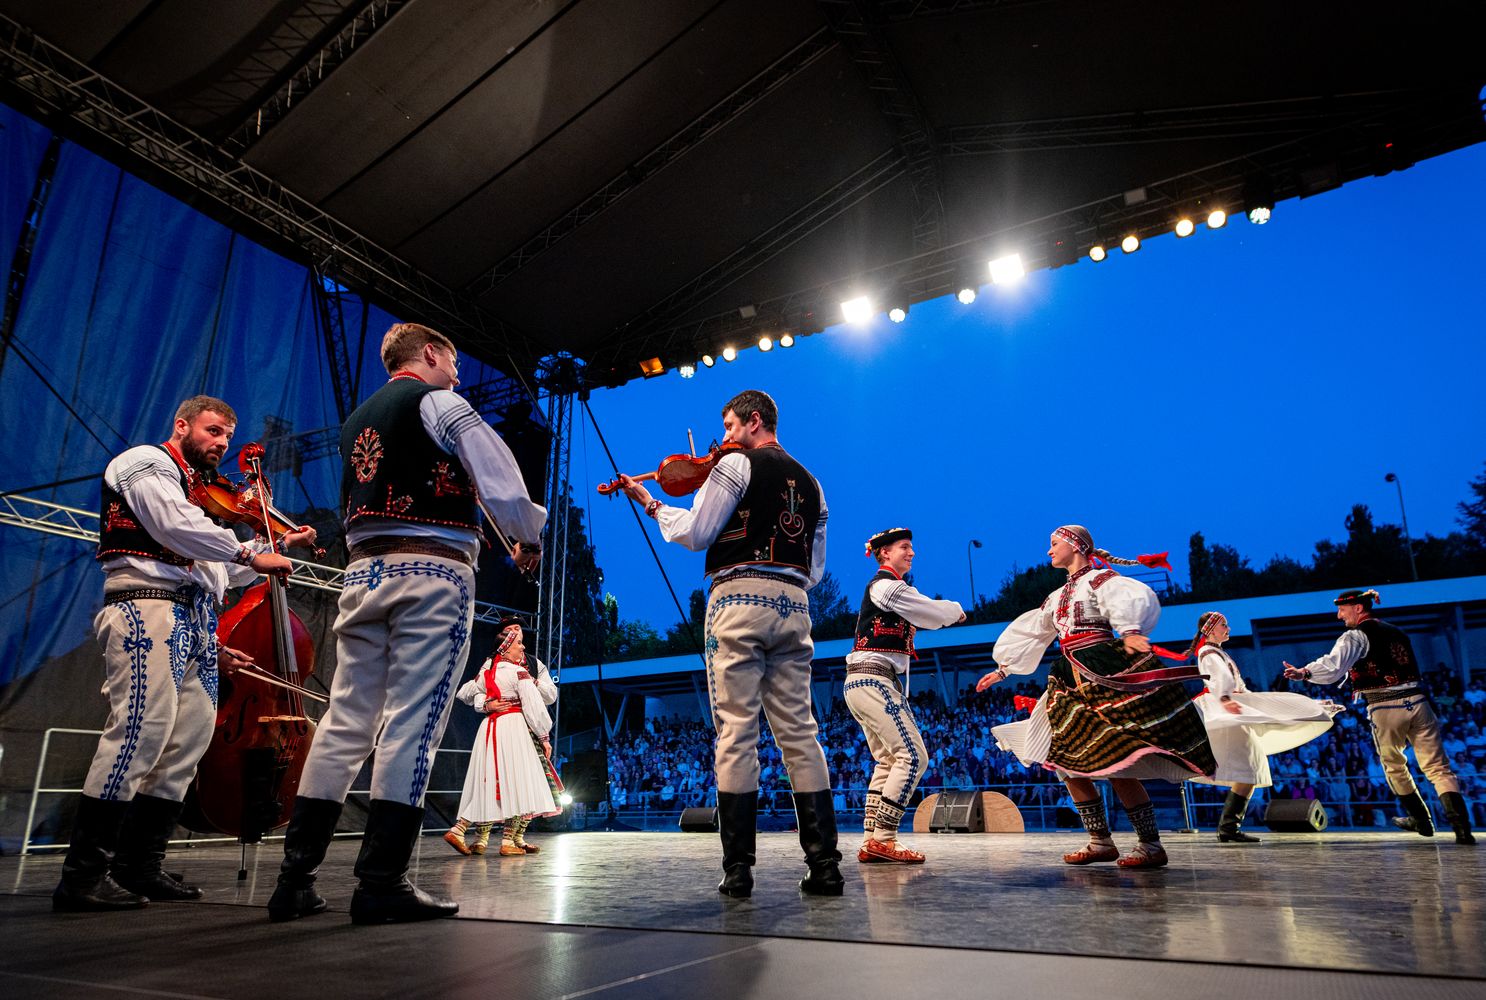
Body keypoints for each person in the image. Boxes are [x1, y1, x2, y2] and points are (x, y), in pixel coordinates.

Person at [268, 323, 547, 924]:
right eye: (453, 362)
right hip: (431, 574)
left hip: (363, 573)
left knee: (345, 721)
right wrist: (527, 534)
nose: (457, 375)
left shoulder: (356, 420)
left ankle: (294, 881)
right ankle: (380, 883)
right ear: (430, 353)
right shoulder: (438, 402)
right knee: (413, 723)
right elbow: (498, 474)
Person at [54, 396, 309, 911]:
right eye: (213, 431)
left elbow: (218, 571)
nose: (222, 443)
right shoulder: (145, 462)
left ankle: (139, 865)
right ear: (182, 425)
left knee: (186, 744)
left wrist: (274, 549)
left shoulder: (196, 493)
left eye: (227, 436)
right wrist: (248, 550)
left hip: (195, 621)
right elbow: (174, 525)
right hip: (146, 605)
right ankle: (82, 876)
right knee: (139, 733)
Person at [617, 389, 838, 898]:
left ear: (753, 421)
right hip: (795, 605)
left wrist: (653, 505)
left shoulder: (734, 465)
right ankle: (825, 866)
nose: (722, 438)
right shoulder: (814, 484)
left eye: (729, 426)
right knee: (800, 732)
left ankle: (738, 871)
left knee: (737, 732)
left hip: (738, 599)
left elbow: (698, 532)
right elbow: (816, 570)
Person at [979, 525, 1215, 869]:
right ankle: (1100, 840)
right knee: (1062, 760)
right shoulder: (1056, 596)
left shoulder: (1100, 579)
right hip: (1067, 675)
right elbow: (1035, 632)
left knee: (1115, 757)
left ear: (1076, 546)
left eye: (1054, 544)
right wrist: (1003, 670)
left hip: (1100, 666)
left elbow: (1125, 598)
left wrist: (1130, 631)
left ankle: (1150, 844)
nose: (1049, 551)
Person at [1284, 589, 1475, 845]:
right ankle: (1462, 829)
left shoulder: (1356, 635)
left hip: (1385, 706)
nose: (1339, 615)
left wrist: (1305, 673)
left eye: (1342, 609)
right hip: (1419, 703)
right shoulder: (1398, 632)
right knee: (1439, 768)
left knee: (1394, 765)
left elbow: (1333, 666)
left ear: (1358, 608)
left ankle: (1421, 820)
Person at [845, 528, 963, 864]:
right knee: (913, 757)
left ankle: (872, 839)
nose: (911, 553)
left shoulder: (888, 588)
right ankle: (885, 838)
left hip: (862, 681)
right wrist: (955, 610)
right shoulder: (886, 586)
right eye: (905, 547)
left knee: (887, 761)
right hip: (875, 679)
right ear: (885, 553)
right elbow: (932, 612)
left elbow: (922, 613)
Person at [1186, 611, 1340, 843]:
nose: (1228, 628)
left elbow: (1233, 685)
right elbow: (1219, 680)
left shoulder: (1217, 653)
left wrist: (1255, 702)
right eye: (1224, 625)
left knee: (1252, 769)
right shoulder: (1208, 653)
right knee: (1250, 769)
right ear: (1209, 629)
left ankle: (1229, 827)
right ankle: (1228, 827)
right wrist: (1226, 699)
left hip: (1231, 707)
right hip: (1225, 711)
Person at [445, 620, 561, 856]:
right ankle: (500, 840)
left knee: (491, 779)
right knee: (518, 781)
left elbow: (550, 695)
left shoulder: (508, 668)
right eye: (514, 638)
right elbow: (533, 706)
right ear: (505, 645)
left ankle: (474, 832)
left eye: (518, 632)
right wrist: (487, 704)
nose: (521, 644)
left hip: (493, 729)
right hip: (515, 728)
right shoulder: (513, 670)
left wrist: (530, 683)